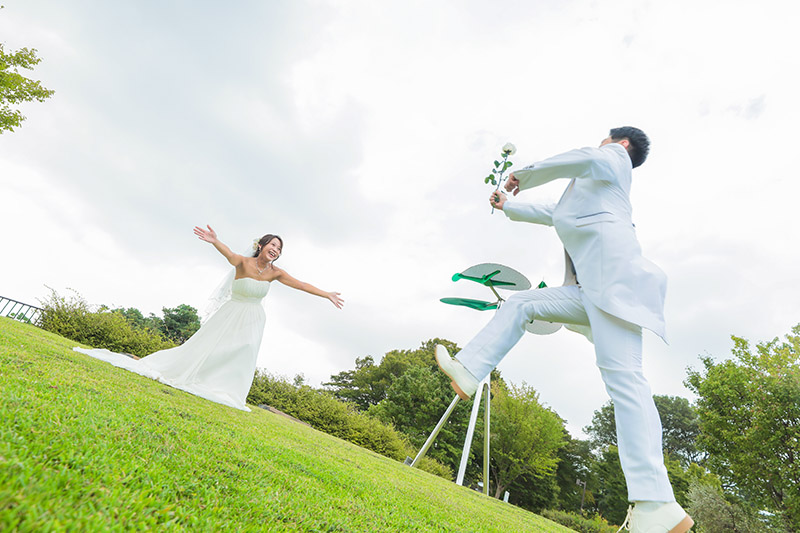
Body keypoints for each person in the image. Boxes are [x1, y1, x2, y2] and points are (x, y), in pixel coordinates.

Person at [434, 128, 693, 533]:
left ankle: (656, 504)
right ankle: (469, 369)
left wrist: (525, 173)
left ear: (620, 143)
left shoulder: (614, 161)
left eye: (605, 138)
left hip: (615, 289)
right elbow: (553, 212)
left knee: (627, 384)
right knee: (522, 303)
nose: (600, 142)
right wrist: (507, 205)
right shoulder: (589, 195)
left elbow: (582, 156)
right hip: (590, 293)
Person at [75, 225, 344, 411]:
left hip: (254, 318)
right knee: (212, 348)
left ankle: (228, 389)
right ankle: (198, 377)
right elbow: (228, 254)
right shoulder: (243, 262)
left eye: (279, 248)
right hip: (231, 313)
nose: (275, 250)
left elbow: (302, 285)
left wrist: (327, 294)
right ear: (261, 246)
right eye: (272, 245)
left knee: (245, 350)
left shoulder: (276, 273)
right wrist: (215, 240)